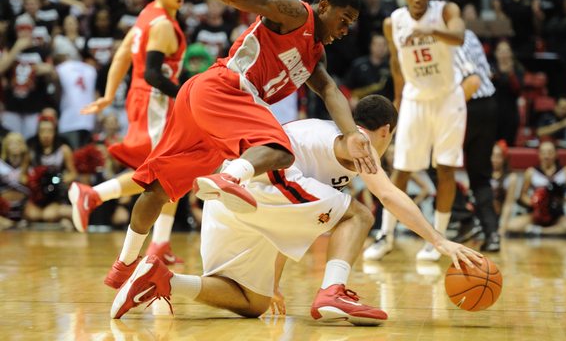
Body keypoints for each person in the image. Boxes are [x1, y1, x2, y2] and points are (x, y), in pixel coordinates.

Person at [102, 0, 375, 295]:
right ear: (323, 6)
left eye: (351, 24)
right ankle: (229, 179)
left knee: (160, 188)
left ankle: (123, 265)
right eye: (343, 19)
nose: (345, 30)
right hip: (225, 87)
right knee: (279, 148)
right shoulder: (295, 13)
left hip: (204, 103)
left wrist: (351, 132)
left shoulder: (315, 56)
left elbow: (331, 92)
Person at [110, 96, 483, 322]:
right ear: (385, 130)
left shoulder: (332, 136)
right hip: (260, 181)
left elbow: (290, 219)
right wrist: (439, 241)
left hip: (236, 197)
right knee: (359, 214)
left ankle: (164, 279)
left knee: (252, 301)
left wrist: (273, 280)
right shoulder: (356, 142)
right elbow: (387, 195)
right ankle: (333, 290)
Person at [69, 0, 187, 270]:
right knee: (162, 173)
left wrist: (109, 95)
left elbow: (122, 54)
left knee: (172, 170)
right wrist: (184, 94)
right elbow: (151, 73)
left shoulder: (147, 15)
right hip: (155, 100)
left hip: (143, 98)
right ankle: (92, 195)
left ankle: (160, 244)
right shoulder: (161, 25)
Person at [378, 0, 466, 262]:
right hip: (415, 100)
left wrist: (432, 31)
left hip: (447, 98)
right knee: (401, 170)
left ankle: (438, 241)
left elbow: (459, 36)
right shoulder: (394, 21)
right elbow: (395, 62)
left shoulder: (446, 11)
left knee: (445, 169)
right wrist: (398, 98)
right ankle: (385, 234)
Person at [452, 29, 500, 252]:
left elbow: (470, 78)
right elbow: (487, 73)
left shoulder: (445, 36)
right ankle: (492, 235)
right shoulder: (470, 33)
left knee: (434, 163)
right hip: (489, 105)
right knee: (480, 175)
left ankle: (466, 220)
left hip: (466, 103)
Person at [507, 141, 566, 236]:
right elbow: (522, 196)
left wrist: (561, 200)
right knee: (511, 226)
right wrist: (535, 203)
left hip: (557, 216)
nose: (546, 156)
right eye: (543, 153)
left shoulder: (565, 171)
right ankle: (553, 232)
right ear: (539, 155)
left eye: (550, 152)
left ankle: (541, 232)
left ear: (556, 154)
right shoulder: (531, 172)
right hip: (536, 215)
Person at [491, 40, 523, 146]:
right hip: (493, 114)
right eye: (501, 51)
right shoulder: (491, 68)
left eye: (506, 51)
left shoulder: (518, 70)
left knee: (508, 145)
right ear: (496, 53)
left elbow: (517, 90)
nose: (504, 54)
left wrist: (510, 74)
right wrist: (496, 75)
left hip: (510, 115)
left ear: (511, 53)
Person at [491, 141, 518, 237]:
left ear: (504, 158)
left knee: (514, 226)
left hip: (501, 216)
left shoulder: (511, 177)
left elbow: (508, 204)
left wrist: (502, 228)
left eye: (498, 156)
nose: (494, 159)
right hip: (483, 215)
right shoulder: (482, 175)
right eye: (492, 155)